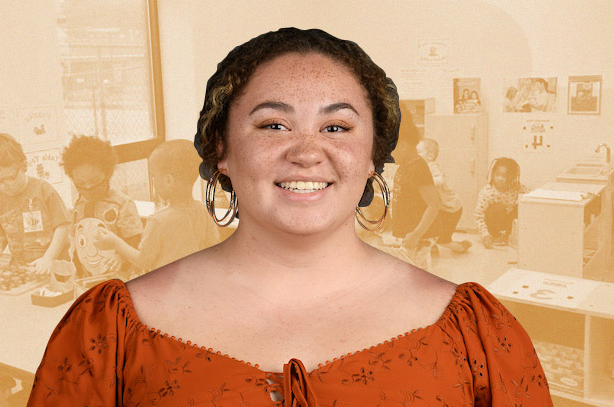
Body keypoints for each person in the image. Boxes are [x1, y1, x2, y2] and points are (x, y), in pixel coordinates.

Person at [28, 28, 551, 406]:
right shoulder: (110, 333)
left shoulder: (475, 335)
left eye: (338, 127)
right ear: (221, 150)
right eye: (273, 125)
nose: (306, 152)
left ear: (373, 155)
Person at [94, 139, 221, 272]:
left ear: (168, 181)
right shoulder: (204, 211)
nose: (153, 182)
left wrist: (116, 243)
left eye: (154, 177)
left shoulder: (158, 221)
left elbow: (143, 261)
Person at [0, 133, 70, 274]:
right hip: (21, 269)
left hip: (55, 267)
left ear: (24, 166)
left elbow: (63, 226)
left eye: (8, 178)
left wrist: (48, 258)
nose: (3, 185)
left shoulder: (43, 190)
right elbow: (0, 235)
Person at [61, 135, 143, 277]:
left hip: (121, 278)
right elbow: (78, 243)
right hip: (90, 279)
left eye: (95, 180)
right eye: (80, 183)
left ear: (108, 174)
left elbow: (136, 242)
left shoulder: (122, 204)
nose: (88, 187)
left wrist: (120, 257)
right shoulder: (79, 205)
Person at [390, 112, 443, 253]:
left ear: (403, 145)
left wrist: (416, 235)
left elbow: (434, 204)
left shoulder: (418, 168)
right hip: (408, 235)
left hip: (420, 237)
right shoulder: (404, 166)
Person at [417, 138, 471, 253]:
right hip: (441, 209)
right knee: (431, 230)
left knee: (443, 240)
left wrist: (424, 181)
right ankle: (432, 248)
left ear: (430, 156)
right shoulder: (422, 167)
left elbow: (440, 180)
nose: (416, 156)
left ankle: (460, 247)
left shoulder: (431, 167)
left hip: (451, 210)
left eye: (419, 153)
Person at [475, 157, 530, 248]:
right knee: (498, 207)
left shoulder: (515, 188)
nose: (500, 179)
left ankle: (508, 235)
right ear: (492, 174)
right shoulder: (487, 192)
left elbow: (530, 195)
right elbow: (478, 216)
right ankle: (497, 235)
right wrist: (485, 235)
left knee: (522, 204)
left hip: (508, 222)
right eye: (497, 174)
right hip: (493, 224)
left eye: (505, 176)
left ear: (511, 177)